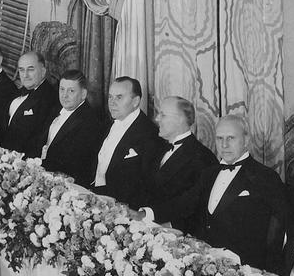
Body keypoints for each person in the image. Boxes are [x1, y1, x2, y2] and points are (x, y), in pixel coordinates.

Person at [196, 115, 287, 272]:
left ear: (246, 140)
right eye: (219, 138)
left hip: (246, 271)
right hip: (206, 267)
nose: (224, 145)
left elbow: (276, 232)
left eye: (231, 138)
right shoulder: (207, 174)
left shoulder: (266, 177)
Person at [143, 96, 216, 235]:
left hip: (174, 235)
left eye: (163, 115)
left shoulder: (202, 158)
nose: (157, 119)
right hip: (147, 227)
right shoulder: (159, 148)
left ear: (180, 119)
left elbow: (196, 208)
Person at [90, 77, 165, 208]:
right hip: (95, 198)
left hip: (121, 208)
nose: (112, 103)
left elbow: (144, 185)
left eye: (119, 97)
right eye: (110, 97)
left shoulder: (149, 134)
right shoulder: (107, 124)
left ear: (135, 101)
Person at [37, 70, 107, 186]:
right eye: (62, 89)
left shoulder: (90, 122)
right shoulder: (55, 110)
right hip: (46, 176)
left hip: (66, 185)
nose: (64, 95)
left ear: (83, 94)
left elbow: (75, 163)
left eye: (71, 91)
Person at [0, 53, 53, 158]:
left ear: (43, 71)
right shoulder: (17, 92)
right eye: (22, 70)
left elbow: (40, 141)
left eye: (31, 69)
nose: (25, 75)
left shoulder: (49, 98)